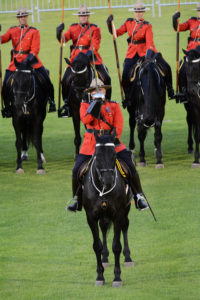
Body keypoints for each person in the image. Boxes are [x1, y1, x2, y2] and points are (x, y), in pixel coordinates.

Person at [67, 78, 149, 212]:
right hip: (91, 144)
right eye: (95, 90)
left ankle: (138, 196)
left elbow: (119, 126)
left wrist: (112, 140)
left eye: (101, 89)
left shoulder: (114, 105)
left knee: (129, 164)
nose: (98, 92)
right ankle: (77, 199)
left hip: (111, 142)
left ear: (105, 91)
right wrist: (95, 105)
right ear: (90, 93)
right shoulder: (85, 106)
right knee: (76, 170)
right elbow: (86, 119)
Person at [106, 0, 174, 106]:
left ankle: (170, 90)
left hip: (145, 52)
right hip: (132, 53)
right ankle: (128, 97)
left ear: (143, 12)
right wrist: (109, 24)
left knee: (166, 67)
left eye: (140, 11)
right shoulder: (128, 23)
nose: (138, 13)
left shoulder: (147, 25)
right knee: (124, 76)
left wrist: (147, 57)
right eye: (136, 11)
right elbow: (116, 34)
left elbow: (150, 43)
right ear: (134, 12)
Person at [56, 4, 111, 118]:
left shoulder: (95, 28)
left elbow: (95, 45)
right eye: (81, 15)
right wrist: (59, 33)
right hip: (75, 60)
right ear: (78, 16)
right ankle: (66, 103)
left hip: (91, 58)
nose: (83, 17)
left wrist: (86, 56)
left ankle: (107, 101)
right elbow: (64, 40)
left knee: (106, 77)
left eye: (85, 15)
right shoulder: (73, 28)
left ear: (88, 15)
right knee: (65, 80)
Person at [1, 7, 56, 118]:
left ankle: (51, 101)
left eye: (24, 16)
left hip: (31, 60)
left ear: (27, 17)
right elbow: (3, 39)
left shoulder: (34, 31)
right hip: (15, 62)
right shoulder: (12, 30)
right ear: (18, 18)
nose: (23, 18)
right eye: (21, 16)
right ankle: (7, 107)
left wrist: (28, 59)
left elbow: (35, 49)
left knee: (46, 79)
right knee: (6, 83)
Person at [173, 3, 200, 99]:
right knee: (181, 66)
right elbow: (179, 28)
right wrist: (175, 19)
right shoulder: (192, 21)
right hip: (191, 52)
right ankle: (183, 91)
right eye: (199, 10)